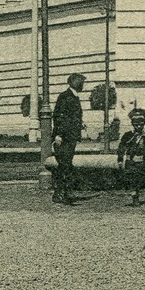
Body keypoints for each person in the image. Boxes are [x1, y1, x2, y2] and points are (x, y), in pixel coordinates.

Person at [52, 72, 86, 204]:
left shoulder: (73, 96)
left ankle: (62, 193)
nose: (82, 85)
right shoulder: (66, 96)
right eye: (81, 82)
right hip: (64, 137)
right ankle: (62, 193)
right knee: (65, 164)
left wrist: (79, 125)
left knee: (65, 164)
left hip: (70, 136)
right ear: (74, 82)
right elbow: (59, 116)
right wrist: (58, 134)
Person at [116, 107, 145, 205]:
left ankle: (136, 194)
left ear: (144, 124)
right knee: (132, 180)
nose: (138, 126)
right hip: (131, 162)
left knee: (141, 180)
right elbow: (121, 148)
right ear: (133, 124)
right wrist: (120, 159)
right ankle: (135, 197)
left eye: (140, 124)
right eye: (136, 125)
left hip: (143, 162)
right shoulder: (128, 135)